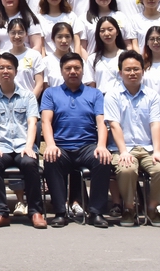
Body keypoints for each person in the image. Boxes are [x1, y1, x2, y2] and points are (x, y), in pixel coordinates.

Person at [39, 52, 114, 227]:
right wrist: (50, 145)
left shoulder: (95, 94)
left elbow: (101, 122)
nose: (73, 71)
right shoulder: (51, 93)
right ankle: (60, 212)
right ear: (61, 71)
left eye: (77, 68)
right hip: (61, 147)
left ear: (83, 70)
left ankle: (96, 212)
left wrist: (101, 146)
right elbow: (45, 121)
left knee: (102, 159)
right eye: (68, 68)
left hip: (87, 146)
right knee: (51, 159)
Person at [105, 50, 160, 226]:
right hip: (122, 148)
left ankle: (152, 208)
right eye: (128, 70)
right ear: (120, 73)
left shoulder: (152, 95)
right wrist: (123, 151)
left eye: (136, 69)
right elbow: (114, 125)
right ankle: (129, 208)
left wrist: (157, 151)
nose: (132, 73)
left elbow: (155, 124)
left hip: (148, 148)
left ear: (143, 71)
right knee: (126, 169)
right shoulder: (112, 95)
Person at [0, 52, 46, 228]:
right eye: (1, 68)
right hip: (1, 146)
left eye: (9, 68)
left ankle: (35, 212)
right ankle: (1, 213)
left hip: (23, 145)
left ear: (16, 71)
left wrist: (29, 146)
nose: (5, 71)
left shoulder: (28, 96)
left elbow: (32, 123)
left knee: (30, 162)